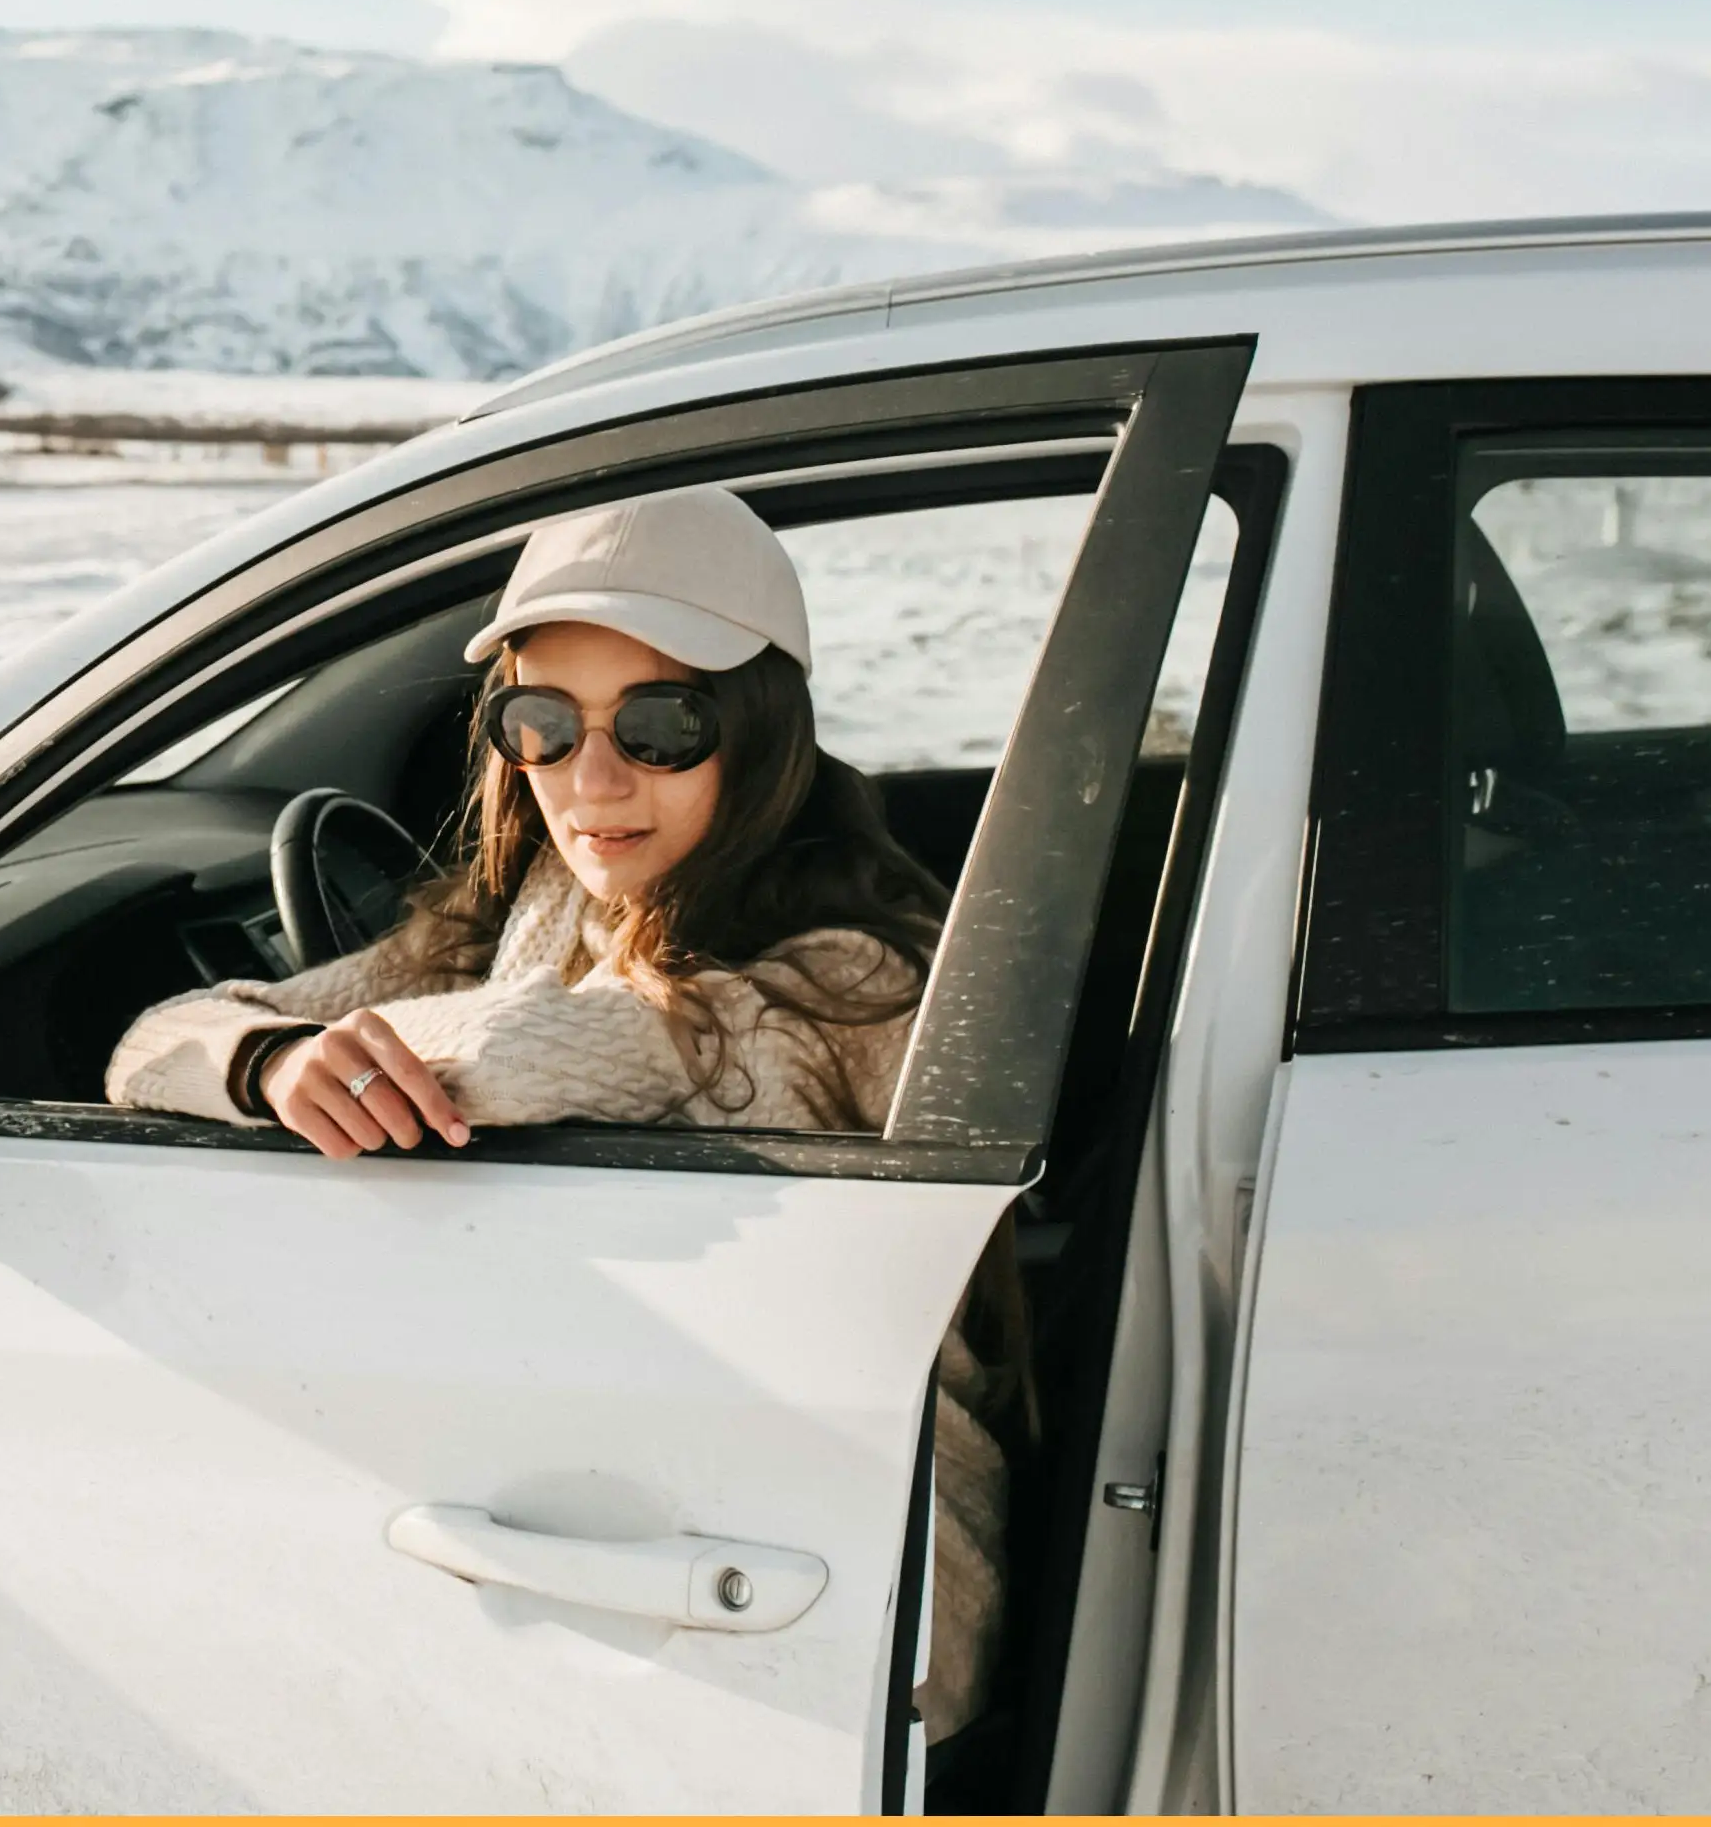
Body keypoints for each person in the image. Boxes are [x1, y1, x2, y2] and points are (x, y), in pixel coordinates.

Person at [104, 485, 1034, 1742]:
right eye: (540, 723)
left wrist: (319, 1050)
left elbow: (518, 1058)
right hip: (650, 1517)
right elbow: (153, 1043)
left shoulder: (843, 972)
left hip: (865, 1589)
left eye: (660, 726)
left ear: (762, 731)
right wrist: (269, 1056)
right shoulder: (547, 898)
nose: (590, 780)